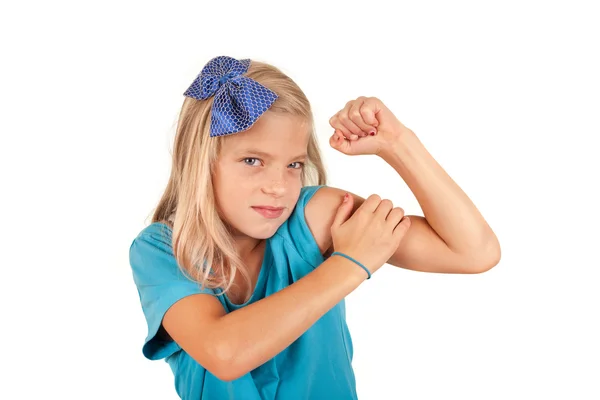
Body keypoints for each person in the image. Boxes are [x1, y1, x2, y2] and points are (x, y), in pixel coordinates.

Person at [128, 55, 501, 399]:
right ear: (201, 162)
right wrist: (350, 264)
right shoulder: (164, 249)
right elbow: (226, 354)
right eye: (253, 159)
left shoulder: (315, 215)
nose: (278, 186)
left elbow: (474, 252)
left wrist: (398, 143)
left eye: (293, 165)